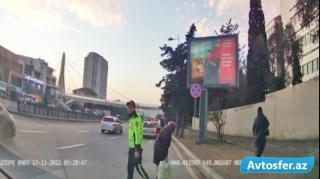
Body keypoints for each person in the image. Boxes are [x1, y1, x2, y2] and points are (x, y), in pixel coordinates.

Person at [126, 100, 150, 179]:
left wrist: (137, 150)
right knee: (130, 167)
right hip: (131, 147)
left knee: (138, 168)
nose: (129, 109)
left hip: (136, 148)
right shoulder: (132, 118)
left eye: (131, 107)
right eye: (128, 107)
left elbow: (137, 135)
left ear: (134, 108)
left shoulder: (136, 119)